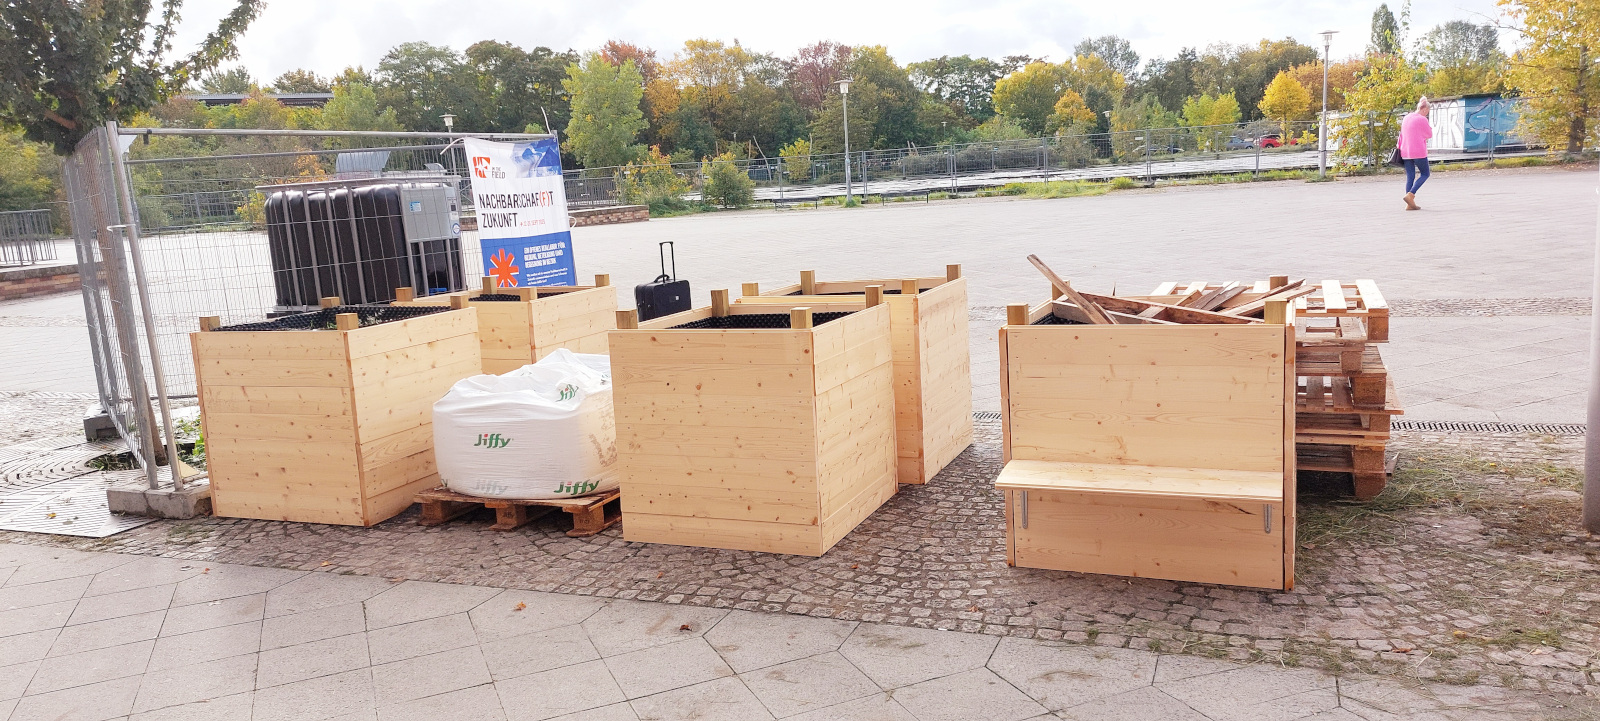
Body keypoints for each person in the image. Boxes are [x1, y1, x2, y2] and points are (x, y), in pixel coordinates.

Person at [1398, 96, 1433, 210]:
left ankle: (1409, 204)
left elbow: (1401, 134)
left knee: (1410, 176)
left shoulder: (1406, 117)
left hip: (1405, 151)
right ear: (1424, 109)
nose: (1427, 114)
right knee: (1425, 173)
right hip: (1418, 152)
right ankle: (1411, 194)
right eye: (1427, 111)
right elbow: (1429, 134)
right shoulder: (1422, 119)